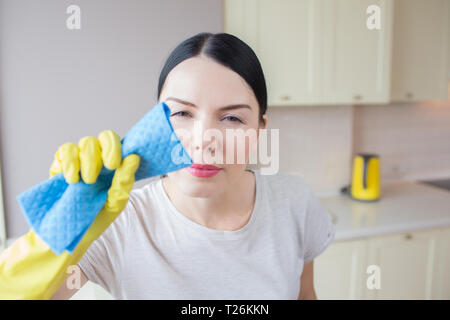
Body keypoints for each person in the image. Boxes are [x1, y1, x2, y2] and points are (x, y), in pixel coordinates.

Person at [5, 32, 335, 300]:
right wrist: (56, 234)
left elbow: (306, 296)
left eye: (232, 117)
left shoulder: (294, 202)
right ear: (156, 121)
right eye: (181, 114)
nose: (204, 140)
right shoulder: (118, 221)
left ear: (260, 129)